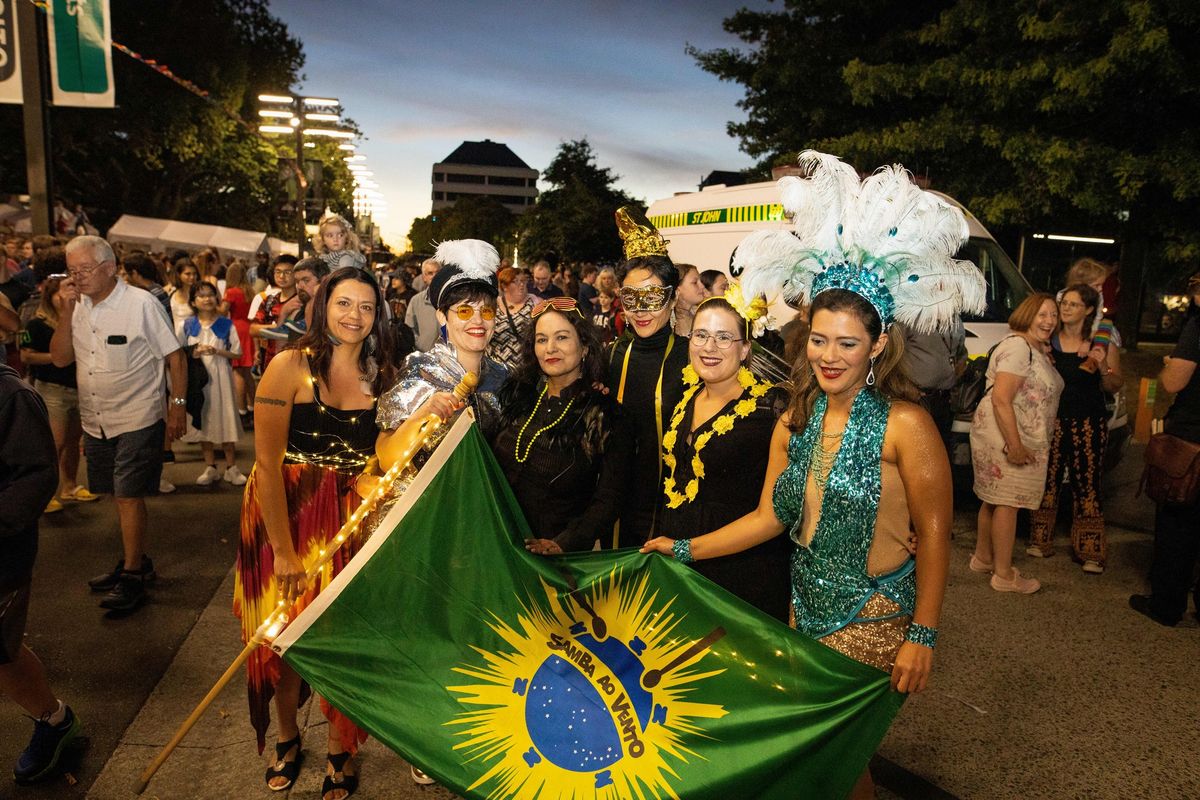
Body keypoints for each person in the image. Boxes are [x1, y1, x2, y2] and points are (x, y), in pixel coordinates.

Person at [643, 150, 975, 800]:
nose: (829, 355)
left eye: (847, 344)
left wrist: (923, 636)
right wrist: (683, 547)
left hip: (875, 613)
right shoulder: (793, 420)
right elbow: (770, 516)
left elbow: (937, 536)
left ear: (877, 345)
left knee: (833, 758)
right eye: (819, 339)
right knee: (831, 764)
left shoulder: (907, 424)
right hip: (802, 609)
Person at [235, 267, 394, 798]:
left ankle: (337, 750)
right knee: (280, 642)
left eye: (366, 306)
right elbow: (266, 462)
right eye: (344, 303)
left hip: (349, 524)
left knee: (338, 643)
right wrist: (282, 550)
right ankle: (286, 737)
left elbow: (388, 456)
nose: (354, 315)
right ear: (323, 305)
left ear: (378, 316)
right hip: (286, 518)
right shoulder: (289, 367)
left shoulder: (384, 376)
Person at [372, 240, 503, 787]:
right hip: (429, 524)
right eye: (463, 311)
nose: (477, 321)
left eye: (486, 310)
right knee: (430, 630)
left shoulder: (500, 376)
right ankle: (425, 735)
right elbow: (383, 452)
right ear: (443, 318)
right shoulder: (422, 373)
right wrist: (422, 414)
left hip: (480, 523)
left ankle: (469, 724)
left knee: (472, 628)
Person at [51, 235, 187, 614]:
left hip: (138, 414)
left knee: (128, 494)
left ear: (109, 268)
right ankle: (136, 560)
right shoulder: (76, 306)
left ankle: (132, 575)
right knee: (115, 492)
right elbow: (60, 359)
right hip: (96, 418)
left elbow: (176, 357)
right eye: (72, 270)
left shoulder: (140, 303)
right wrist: (65, 311)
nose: (77, 277)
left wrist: (176, 405)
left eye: (84, 269)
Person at [657, 292, 791, 620]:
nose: (709, 347)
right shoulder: (684, 395)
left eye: (724, 337)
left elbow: (776, 516)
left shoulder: (771, 409)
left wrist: (686, 549)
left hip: (744, 578)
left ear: (745, 348)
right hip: (683, 574)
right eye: (700, 335)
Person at [492, 297, 631, 554]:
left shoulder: (604, 415)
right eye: (542, 339)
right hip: (497, 549)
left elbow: (609, 500)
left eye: (562, 337)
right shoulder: (517, 396)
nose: (550, 348)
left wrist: (564, 543)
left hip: (557, 567)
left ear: (585, 346)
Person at [0, 363, 82, 785]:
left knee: (3, 650)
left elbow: (37, 475)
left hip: (3, 556)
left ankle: (54, 721)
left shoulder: (11, 395)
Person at [969, 293, 1065, 594]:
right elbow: (1001, 399)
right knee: (1008, 503)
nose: (1049, 321)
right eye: (1042, 314)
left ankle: (984, 558)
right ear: (1027, 315)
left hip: (1009, 432)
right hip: (1008, 434)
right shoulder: (1018, 348)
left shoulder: (1031, 348)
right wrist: (1015, 444)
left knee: (994, 499)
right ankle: (1004, 574)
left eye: (1053, 315)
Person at [606, 208, 690, 547]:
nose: (641, 310)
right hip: (614, 511)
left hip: (674, 514)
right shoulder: (610, 356)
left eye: (652, 297)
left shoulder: (693, 357)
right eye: (631, 298)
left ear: (672, 298)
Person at [1028, 285, 1123, 573]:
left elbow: (1114, 385)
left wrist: (1102, 363)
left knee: (1087, 485)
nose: (1066, 309)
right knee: (1047, 482)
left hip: (1088, 423)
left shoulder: (1100, 342)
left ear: (1089, 310)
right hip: (1052, 421)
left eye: (1073, 304)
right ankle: (1039, 541)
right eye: (1064, 303)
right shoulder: (1048, 341)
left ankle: (1091, 551)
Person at [1130, 270, 1200, 626]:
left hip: (1191, 440)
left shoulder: (1197, 327)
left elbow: (1174, 382)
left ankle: (1166, 604)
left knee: (1178, 524)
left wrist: (1169, 368)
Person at [18, 275, 100, 511]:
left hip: (78, 388)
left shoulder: (80, 320)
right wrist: (58, 357)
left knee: (74, 441)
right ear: (50, 296)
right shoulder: (37, 323)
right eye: (62, 292)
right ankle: (43, 494)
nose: (69, 296)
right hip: (52, 390)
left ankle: (70, 486)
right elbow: (26, 356)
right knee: (55, 443)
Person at [179, 282, 246, 486]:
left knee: (225, 417)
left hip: (221, 377)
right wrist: (194, 352)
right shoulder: (188, 324)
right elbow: (179, 351)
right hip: (198, 377)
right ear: (193, 301)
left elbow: (237, 353)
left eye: (210, 295)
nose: (207, 299)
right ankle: (210, 466)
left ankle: (231, 467)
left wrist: (217, 351)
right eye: (201, 296)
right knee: (203, 417)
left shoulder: (226, 324)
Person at [902, 319, 967, 454]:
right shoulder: (910, 318)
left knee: (941, 449)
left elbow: (961, 354)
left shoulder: (956, 321)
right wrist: (904, 385)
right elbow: (891, 354)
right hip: (916, 397)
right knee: (917, 449)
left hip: (945, 398)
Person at [221, 259, 257, 428]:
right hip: (249, 329)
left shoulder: (231, 292)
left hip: (236, 330)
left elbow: (222, 311)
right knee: (248, 373)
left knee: (238, 372)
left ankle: (241, 411)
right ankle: (252, 407)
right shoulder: (250, 291)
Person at [250, 258, 300, 367]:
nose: (281, 276)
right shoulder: (269, 300)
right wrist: (279, 327)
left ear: (296, 275)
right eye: (278, 271)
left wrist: (268, 329)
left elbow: (294, 333)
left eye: (287, 272)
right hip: (270, 359)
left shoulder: (300, 302)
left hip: (294, 361)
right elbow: (253, 329)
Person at [488, 266, 534, 370]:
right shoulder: (493, 305)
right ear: (504, 286)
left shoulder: (535, 303)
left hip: (526, 370)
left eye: (523, 281)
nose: (521, 284)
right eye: (515, 281)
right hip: (496, 369)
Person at [404, 257, 442, 352]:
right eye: (430, 273)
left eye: (437, 272)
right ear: (424, 278)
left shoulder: (452, 300)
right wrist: (421, 346)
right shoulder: (416, 301)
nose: (434, 276)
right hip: (424, 357)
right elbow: (409, 330)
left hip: (450, 358)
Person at [122, 253, 172, 321]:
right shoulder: (158, 288)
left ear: (134, 273)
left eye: (125, 274)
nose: (124, 278)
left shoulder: (145, 295)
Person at [166, 258, 199, 338]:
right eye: (187, 274)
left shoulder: (199, 294)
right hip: (173, 339)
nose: (192, 277)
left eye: (194, 274)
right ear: (178, 274)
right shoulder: (170, 292)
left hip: (191, 339)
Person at [671, 263, 707, 336]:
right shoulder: (667, 322)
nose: (702, 286)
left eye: (701, 281)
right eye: (695, 283)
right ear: (678, 290)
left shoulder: (704, 316)